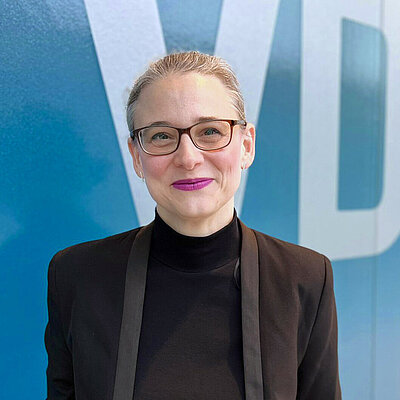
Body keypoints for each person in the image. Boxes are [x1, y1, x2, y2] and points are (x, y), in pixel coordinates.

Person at [45, 51, 341, 399]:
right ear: (137, 156)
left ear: (246, 146)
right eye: (161, 136)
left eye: (210, 131)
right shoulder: (77, 276)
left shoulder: (305, 278)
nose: (188, 158)